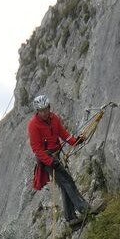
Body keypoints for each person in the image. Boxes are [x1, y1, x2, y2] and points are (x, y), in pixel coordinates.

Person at [27, 94, 93, 228]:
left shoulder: (54, 118)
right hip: (47, 160)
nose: (45, 113)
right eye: (42, 111)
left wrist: (76, 141)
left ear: (49, 107)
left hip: (56, 155)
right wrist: (50, 162)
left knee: (65, 185)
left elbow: (63, 134)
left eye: (46, 109)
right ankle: (83, 208)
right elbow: (37, 149)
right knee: (67, 182)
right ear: (37, 112)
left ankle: (70, 218)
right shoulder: (33, 125)